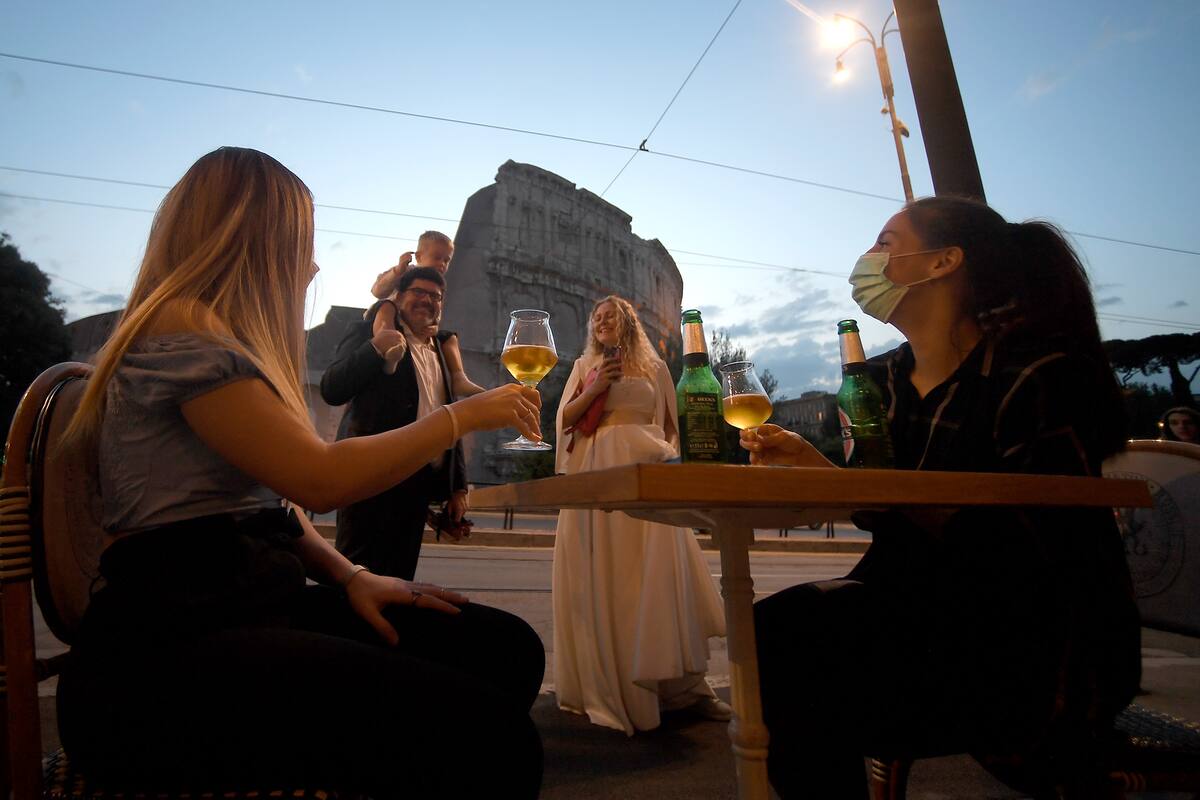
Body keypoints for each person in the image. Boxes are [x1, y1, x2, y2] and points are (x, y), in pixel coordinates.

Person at [57, 147, 546, 797]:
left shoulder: (221, 341)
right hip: (160, 656)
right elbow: (317, 480)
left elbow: (272, 509)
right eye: (302, 242)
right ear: (251, 238)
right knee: (498, 744)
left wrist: (352, 577)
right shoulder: (181, 330)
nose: (312, 265)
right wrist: (461, 416)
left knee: (507, 649)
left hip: (249, 604)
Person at [741, 196, 1140, 797]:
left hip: (1030, 644)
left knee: (791, 648)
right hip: (915, 612)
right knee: (772, 636)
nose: (867, 258)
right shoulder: (883, 381)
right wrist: (816, 466)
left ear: (943, 262)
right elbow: (883, 506)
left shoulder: (1036, 377)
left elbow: (1033, 547)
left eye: (885, 242)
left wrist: (865, 489)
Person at [552, 295, 730, 736]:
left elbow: (672, 426)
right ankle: (616, 689)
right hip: (600, 473)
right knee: (609, 576)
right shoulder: (584, 366)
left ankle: (684, 687)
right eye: (596, 317)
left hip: (648, 473)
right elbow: (564, 420)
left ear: (628, 321)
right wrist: (595, 388)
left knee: (660, 575)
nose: (600, 321)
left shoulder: (656, 367)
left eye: (609, 315)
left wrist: (670, 465)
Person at [321, 266, 469, 579]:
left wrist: (458, 487)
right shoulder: (369, 331)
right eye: (418, 292)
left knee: (401, 580)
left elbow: (449, 416)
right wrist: (377, 348)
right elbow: (332, 388)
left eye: (435, 296)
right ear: (398, 297)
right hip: (370, 480)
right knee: (356, 575)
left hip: (417, 487)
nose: (426, 300)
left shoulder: (441, 350)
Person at [369, 231, 486, 397]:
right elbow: (377, 291)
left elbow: (435, 315)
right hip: (390, 320)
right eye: (437, 258)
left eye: (446, 260)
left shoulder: (438, 287)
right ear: (418, 257)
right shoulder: (406, 272)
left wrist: (434, 328)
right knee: (386, 306)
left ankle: (459, 377)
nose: (442, 264)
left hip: (416, 328)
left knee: (449, 338)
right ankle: (389, 348)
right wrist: (397, 270)